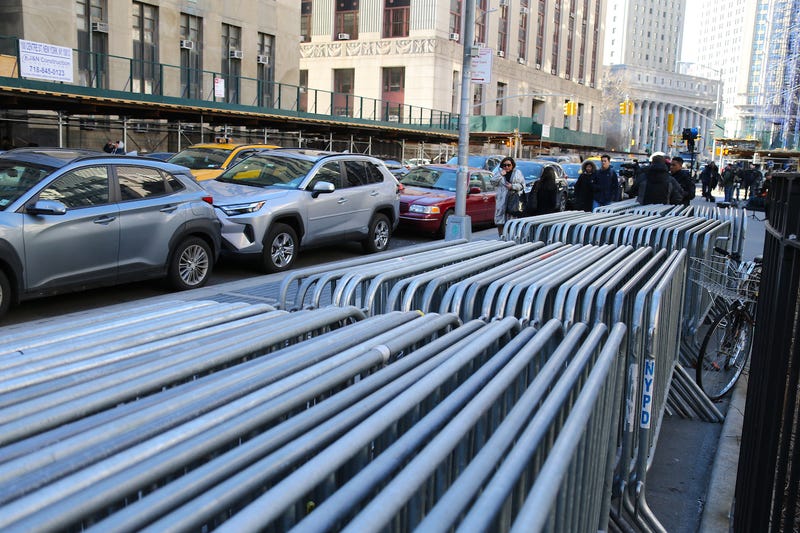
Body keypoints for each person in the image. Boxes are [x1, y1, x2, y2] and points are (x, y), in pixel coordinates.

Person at [490, 156, 525, 237]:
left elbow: (522, 185)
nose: (506, 167)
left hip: (513, 200)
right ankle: (501, 237)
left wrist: (512, 186)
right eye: (504, 165)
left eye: (508, 165)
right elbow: (492, 182)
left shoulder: (517, 173)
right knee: (500, 221)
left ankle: (511, 238)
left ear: (512, 165)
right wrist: (500, 174)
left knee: (512, 221)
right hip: (501, 201)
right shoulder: (500, 173)